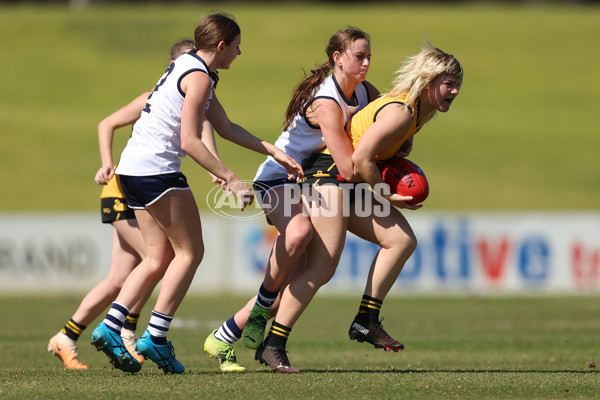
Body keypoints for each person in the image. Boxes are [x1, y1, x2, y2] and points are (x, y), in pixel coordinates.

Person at [89, 13, 302, 374]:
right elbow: (190, 140)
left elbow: (225, 126)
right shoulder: (200, 77)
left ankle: (111, 326)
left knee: (158, 258)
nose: (239, 52)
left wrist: (272, 150)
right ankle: (154, 338)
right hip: (157, 170)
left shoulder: (188, 66)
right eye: (236, 46)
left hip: (130, 171)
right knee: (191, 252)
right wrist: (230, 178)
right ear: (221, 46)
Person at [256, 44, 463, 373]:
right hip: (328, 175)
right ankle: (272, 344)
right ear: (428, 80)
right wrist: (385, 193)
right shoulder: (403, 111)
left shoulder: (421, 110)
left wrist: (397, 149)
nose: (455, 90)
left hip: (348, 180)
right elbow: (360, 158)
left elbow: (372, 147)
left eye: (457, 84)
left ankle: (366, 319)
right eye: (448, 82)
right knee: (323, 267)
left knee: (401, 241)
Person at [203, 27, 378, 373]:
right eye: (360, 55)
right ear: (337, 58)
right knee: (297, 233)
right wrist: (384, 178)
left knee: (295, 284)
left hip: (308, 180)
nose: (367, 62)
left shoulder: (366, 93)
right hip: (277, 176)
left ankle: (223, 337)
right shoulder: (326, 101)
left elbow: (382, 121)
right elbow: (346, 164)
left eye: (370, 55)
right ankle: (261, 308)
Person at [46, 39, 214, 370]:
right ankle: (125, 331)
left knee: (120, 277)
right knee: (162, 258)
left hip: (134, 185)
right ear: (173, 66)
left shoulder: (194, 96)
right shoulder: (157, 96)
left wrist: (217, 171)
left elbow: (206, 127)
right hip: (124, 188)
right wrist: (106, 163)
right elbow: (106, 123)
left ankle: (66, 337)